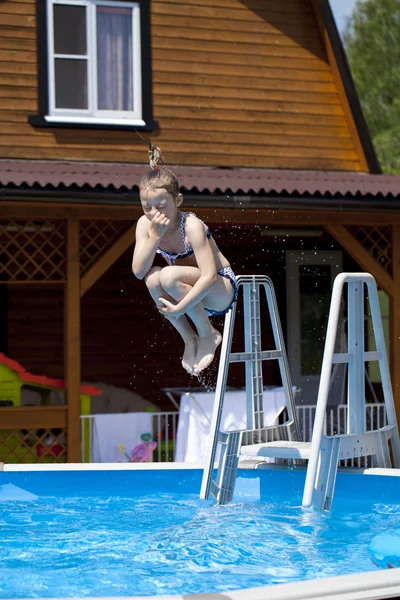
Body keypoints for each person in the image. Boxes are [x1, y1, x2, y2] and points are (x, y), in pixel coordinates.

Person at [132, 145, 238, 377]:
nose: (153, 213)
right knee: (152, 278)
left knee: (168, 275)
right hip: (188, 295)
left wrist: (180, 308)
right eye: (146, 207)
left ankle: (208, 334)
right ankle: (189, 338)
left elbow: (209, 275)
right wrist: (155, 236)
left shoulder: (191, 225)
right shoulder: (145, 225)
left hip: (220, 290)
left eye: (161, 206)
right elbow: (139, 272)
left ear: (178, 200)